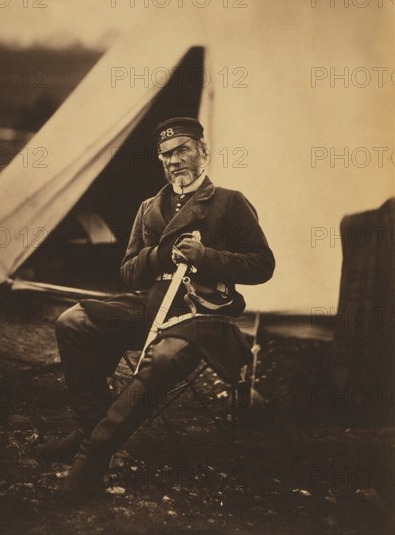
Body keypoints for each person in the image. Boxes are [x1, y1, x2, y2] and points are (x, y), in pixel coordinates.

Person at [41, 117, 275, 503]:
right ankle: (90, 427)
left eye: (181, 150)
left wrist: (208, 256)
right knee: (74, 321)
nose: (173, 160)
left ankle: (92, 456)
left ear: (203, 152)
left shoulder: (230, 202)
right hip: (153, 306)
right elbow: (129, 273)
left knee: (163, 359)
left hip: (202, 316)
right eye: (165, 155)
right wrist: (159, 255)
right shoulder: (149, 207)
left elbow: (262, 265)